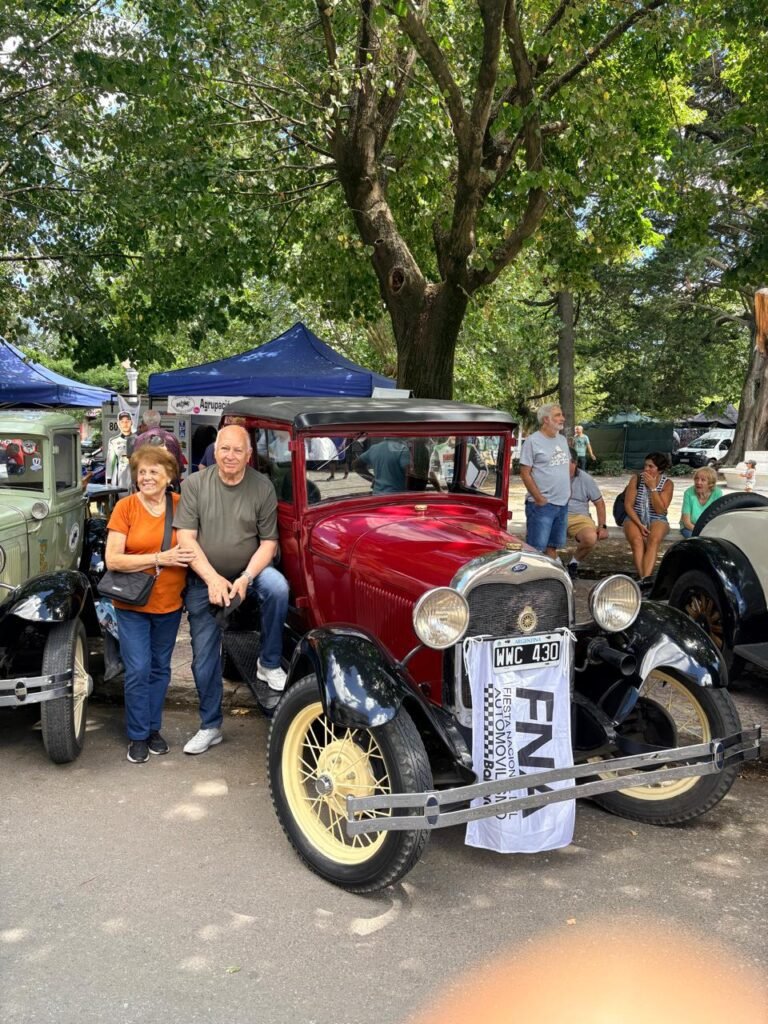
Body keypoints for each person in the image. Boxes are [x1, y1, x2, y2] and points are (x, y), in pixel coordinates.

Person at [175, 424, 290, 754]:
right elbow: (185, 539)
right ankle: (210, 726)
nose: (230, 456)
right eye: (224, 449)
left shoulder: (262, 486)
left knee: (278, 587)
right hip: (203, 578)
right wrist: (212, 578)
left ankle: (268, 663)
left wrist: (245, 578)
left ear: (249, 455)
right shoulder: (195, 484)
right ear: (214, 450)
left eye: (238, 450)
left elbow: (269, 542)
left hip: (247, 573)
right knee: (203, 659)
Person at [105, 447, 196, 763]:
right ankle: (137, 734)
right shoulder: (125, 508)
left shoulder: (181, 506)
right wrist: (160, 558)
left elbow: (194, 547)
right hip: (131, 604)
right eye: (142, 472)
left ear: (169, 476)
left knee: (160, 669)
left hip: (169, 604)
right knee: (138, 668)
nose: (146, 477)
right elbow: (113, 558)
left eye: (154, 471)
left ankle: (153, 729)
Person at [519, 403, 571, 560]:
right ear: (546, 419)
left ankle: (549, 583)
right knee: (535, 550)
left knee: (552, 547)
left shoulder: (562, 440)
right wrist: (539, 498)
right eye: (557, 415)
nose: (562, 418)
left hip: (562, 504)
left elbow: (566, 468)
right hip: (542, 506)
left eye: (561, 414)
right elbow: (524, 473)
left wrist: (567, 493)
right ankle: (529, 583)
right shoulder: (532, 441)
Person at [622, 452, 673, 583]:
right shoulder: (636, 479)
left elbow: (660, 510)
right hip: (635, 516)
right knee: (637, 541)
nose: (646, 469)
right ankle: (644, 580)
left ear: (659, 469)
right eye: (645, 465)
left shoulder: (667, 484)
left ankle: (644, 581)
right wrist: (639, 525)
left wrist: (653, 488)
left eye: (651, 466)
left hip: (657, 517)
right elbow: (628, 505)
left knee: (653, 539)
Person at [566, 448, 608, 579]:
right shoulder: (551, 476)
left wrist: (602, 526)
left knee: (590, 538)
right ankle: (555, 566)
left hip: (579, 516)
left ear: (574, 462)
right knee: (542, 537)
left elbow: (599, 503)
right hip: (555, 512)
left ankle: (573, 564)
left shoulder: (586, 479)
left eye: (565, 462)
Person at [133, 409, 185, 482]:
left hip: (147, 483)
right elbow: (179, 466)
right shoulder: (172, 438)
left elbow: (135, 465)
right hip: (169, 484)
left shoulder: (140, 439)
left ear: (144, 423)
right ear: (159, 422)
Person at [679, 466, 723, 538]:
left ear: (710, 483)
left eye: (703, 480)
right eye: (696, 479)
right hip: (690, 528)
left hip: (709, 528)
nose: (698, 482)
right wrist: (702, 532)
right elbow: (686, 522)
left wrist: (708, 531)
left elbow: (718, 518)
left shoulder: (717, 493)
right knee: (696, 541)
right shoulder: (688, 493)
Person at [106, 411, 135, 490]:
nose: (125, 424)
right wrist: (108, 480)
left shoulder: (138, 439)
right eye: (122, 422)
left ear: (131, 422)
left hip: (136, 478)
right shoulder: (113, 441)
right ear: (118, 424)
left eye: (127, 421)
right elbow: (110, 462)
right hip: (121, 479)